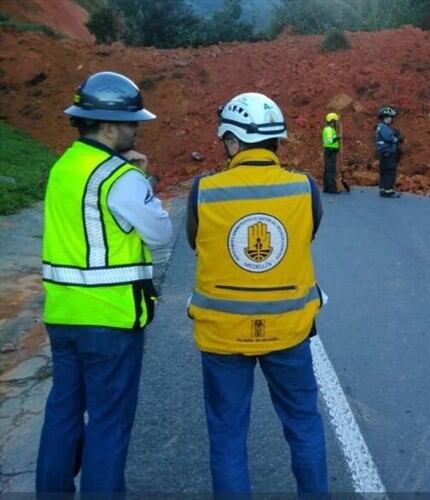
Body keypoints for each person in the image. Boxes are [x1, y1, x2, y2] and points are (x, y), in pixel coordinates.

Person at [36, 71, 173, 493]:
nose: (137, 130)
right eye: (133, 123)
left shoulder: (63, 167)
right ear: (109, 124)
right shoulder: (121, 178)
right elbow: (161, 233)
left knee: (63, 411)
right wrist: (145, 181)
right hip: (110, 320)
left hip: (62, 315)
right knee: (109, 423)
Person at [185, 92, 328, 493]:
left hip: (222, 336)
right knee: (303, 424)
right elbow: (307, 235)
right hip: (289, 331)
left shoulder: (204, 190)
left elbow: (197, 243)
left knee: (228, 437)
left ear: (231, 141)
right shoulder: (305, 189)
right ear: (276, 142)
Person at [375, 104, 401, 198]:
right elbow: (389, 138)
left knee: (384, 171)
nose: (391, 119)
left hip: (383, 152)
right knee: (390, 171)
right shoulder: (383, 127)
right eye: (390, 117)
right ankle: (388, 190)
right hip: (388, 152)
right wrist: (397, 139)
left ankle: (383, 189)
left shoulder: (381, 126)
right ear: (386, 117)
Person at [321, 112, 341, 193]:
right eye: (335, 121)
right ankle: (331, 188)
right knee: (331, 170)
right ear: (332, 120)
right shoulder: (329, 129)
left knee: (327, 170)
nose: (336, 122)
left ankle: (327, 188)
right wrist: (337, 138)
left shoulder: (330, 129)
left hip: (330, 151)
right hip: (330, 151)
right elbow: (329, 140)